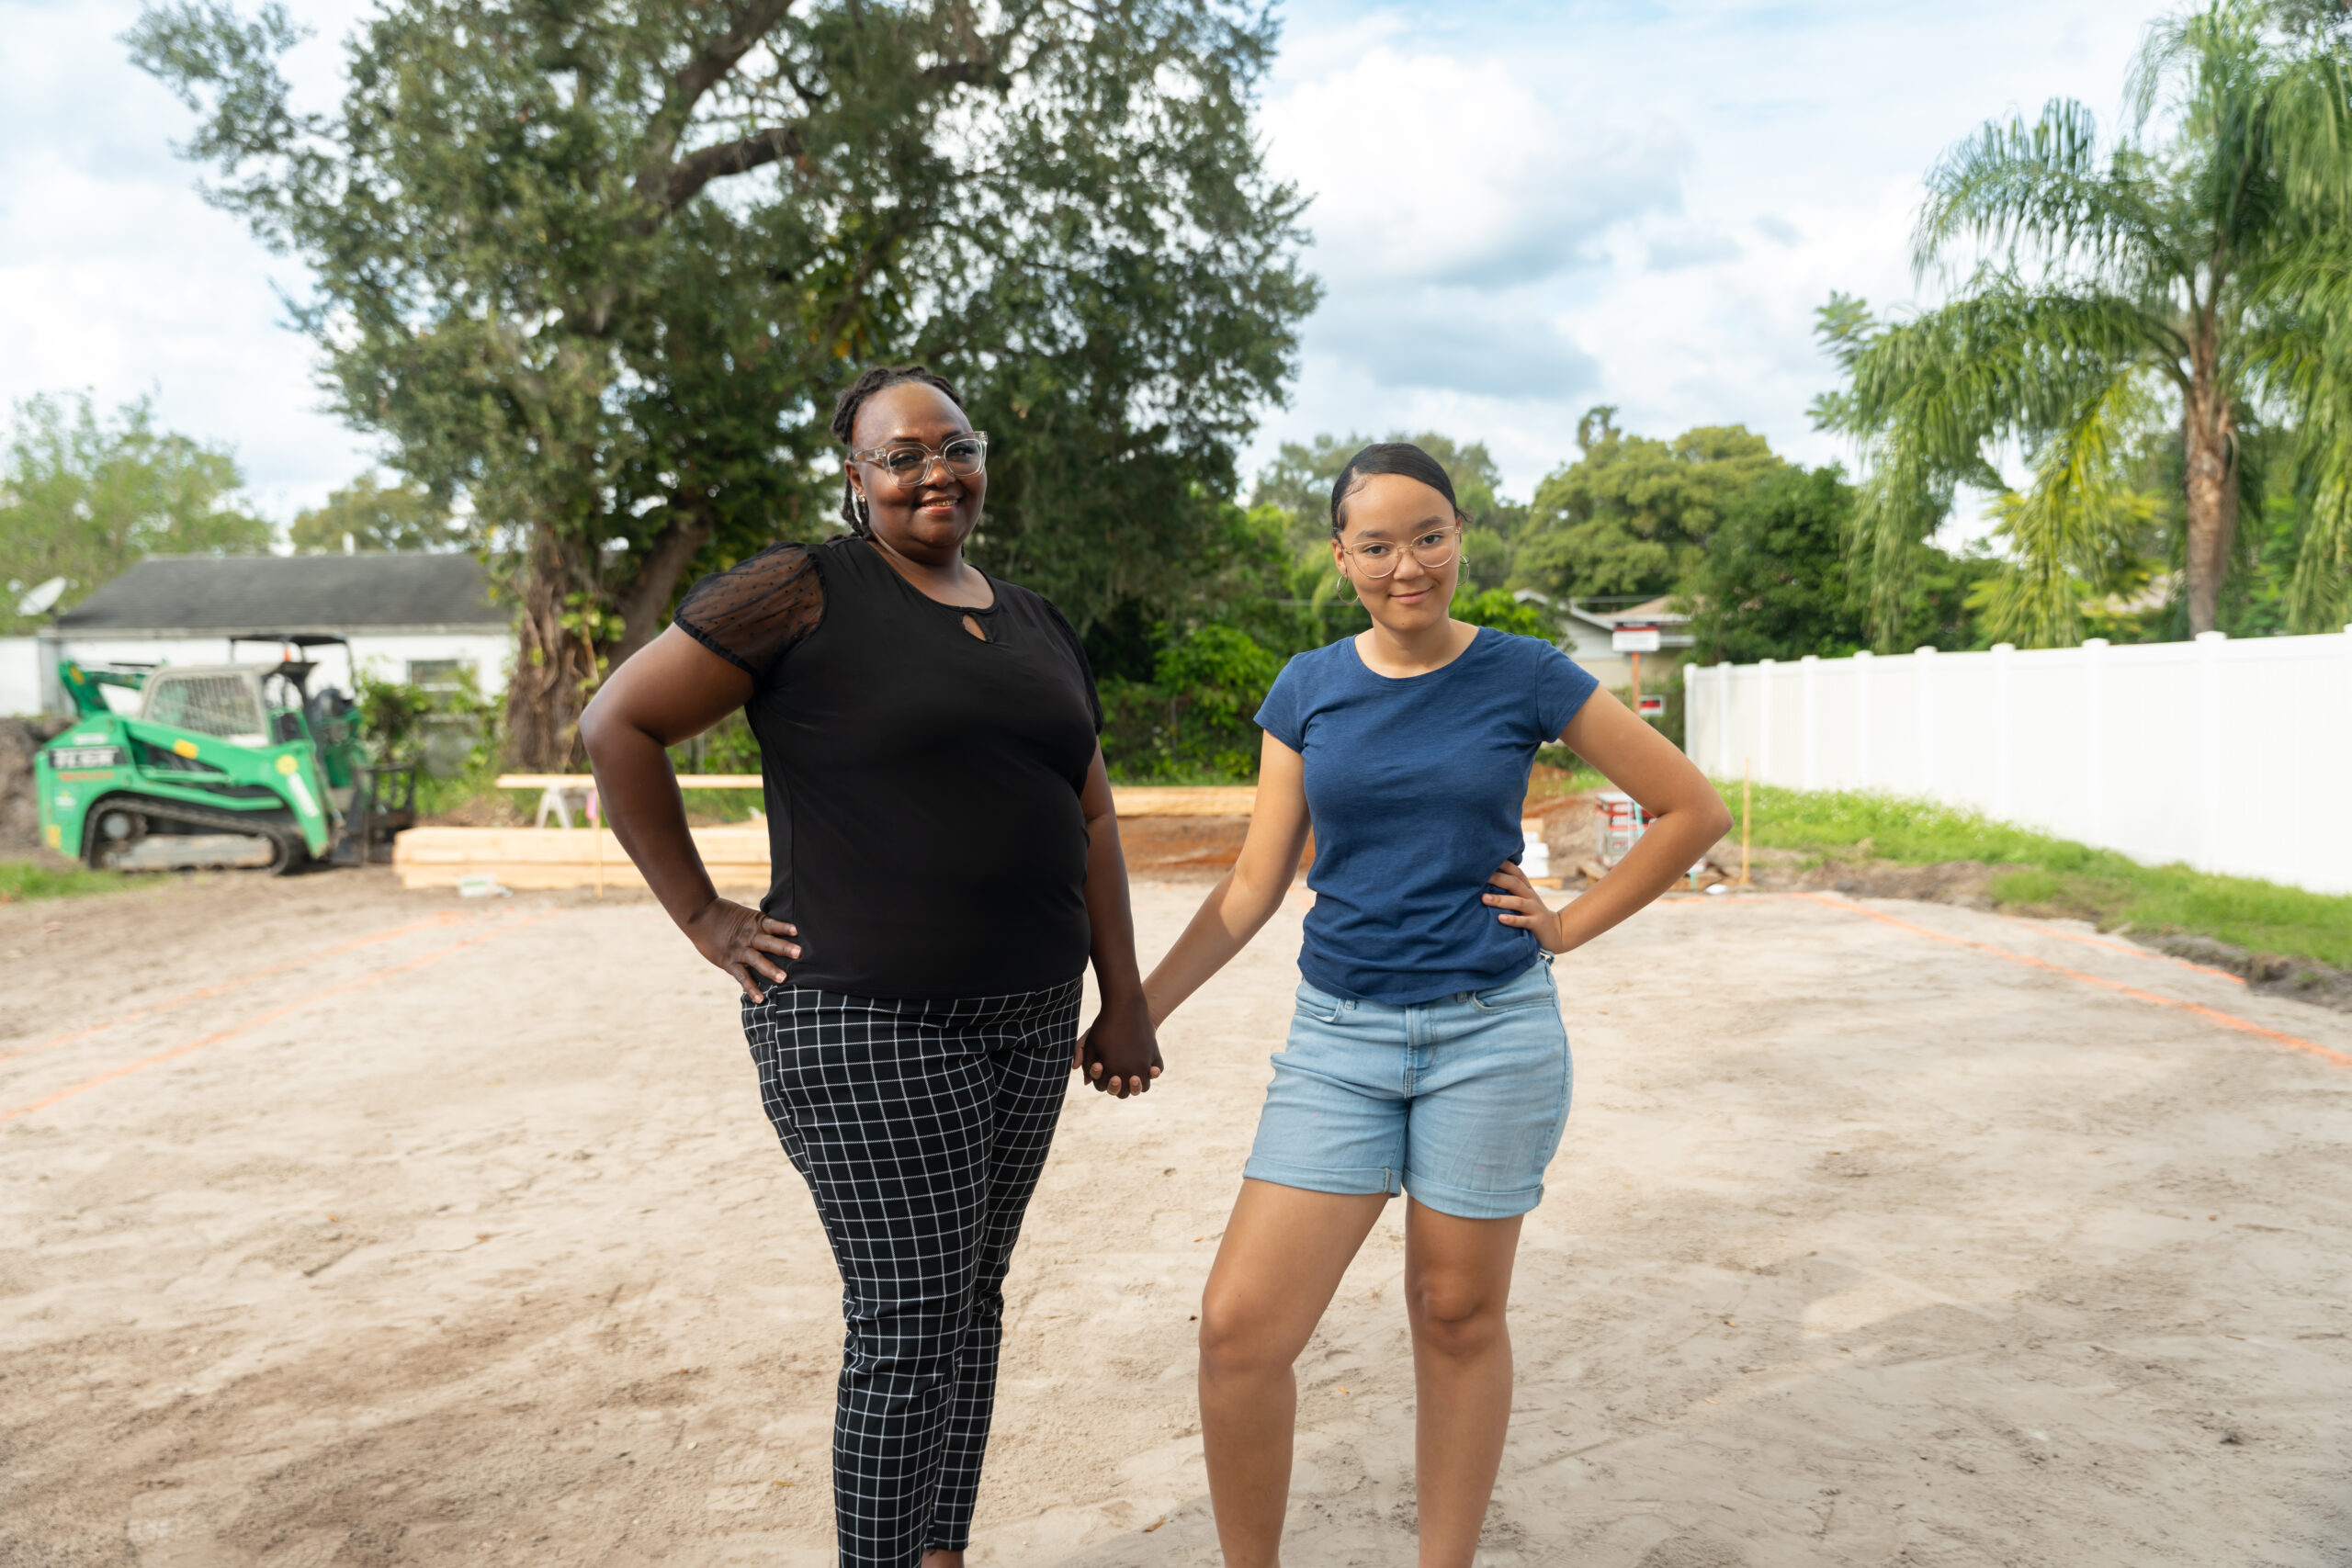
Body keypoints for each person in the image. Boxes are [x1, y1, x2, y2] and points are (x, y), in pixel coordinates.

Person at [580, 364, 1161, 1568]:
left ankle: (933, 1551)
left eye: (954, 444)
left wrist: (1126, 997)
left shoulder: (1039, 619)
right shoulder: (800, 589)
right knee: (908, 1315)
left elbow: (1092, 817)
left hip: (1029, 1013)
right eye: (900, 455)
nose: (934, 470)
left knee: (972, 1297)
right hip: (865, 1018)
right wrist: (702, 913)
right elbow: (616, 724)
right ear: (856, 477)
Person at [1110, 442, 1730, 1567]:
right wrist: (1138, 1010)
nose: (1409, 565)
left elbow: (1690, 810)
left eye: (1429, 537)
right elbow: (1256, 885)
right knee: (1240, 1331)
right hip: (1337, 1042)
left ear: (1459, 540)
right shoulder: (1306, 688)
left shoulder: (1526, 673)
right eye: (1380, 544)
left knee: (1454, 1315)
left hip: (1492, 1035)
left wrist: (1568, 925)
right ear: (1342, 556)